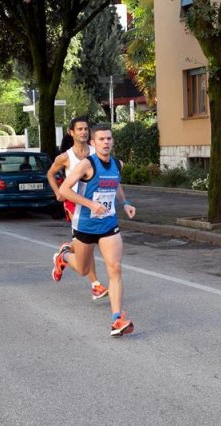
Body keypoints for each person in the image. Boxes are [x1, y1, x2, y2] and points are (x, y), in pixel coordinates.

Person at [53, 123, 137, 337]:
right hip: (85, 225)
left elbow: (116, 184)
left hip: (108, 224)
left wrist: (125, 202)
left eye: (109, 139)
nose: (106, 142)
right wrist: (90, 205)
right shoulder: (86, 165)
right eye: (101, 139)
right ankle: (63, 257)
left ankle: (117, 319)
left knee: (115, 268)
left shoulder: (117, 164)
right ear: (93, 143)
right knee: (82, 270)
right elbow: (64, 190)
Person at [47, 117, 109, 301]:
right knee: (87, 243)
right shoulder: (65, 157)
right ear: (71, 132)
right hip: (74, 203)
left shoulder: (95, 151)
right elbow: (50, 173)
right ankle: (95, 285)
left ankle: (64, 255)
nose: (83, 132)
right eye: (79, 129)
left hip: (95, 203)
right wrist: (58, 192)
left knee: (84, 244)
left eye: (86, 128)